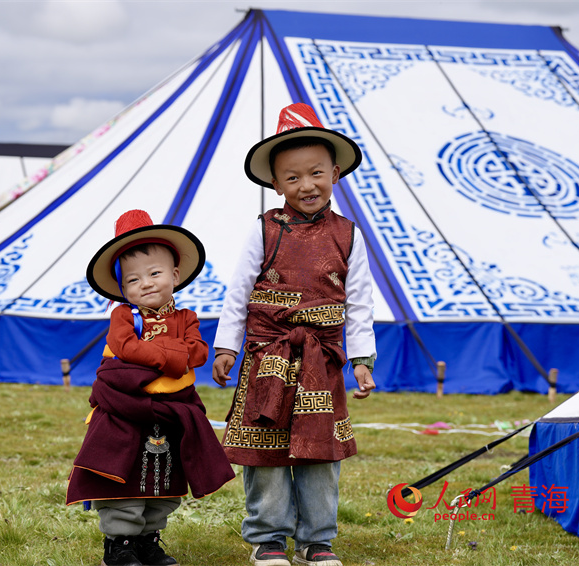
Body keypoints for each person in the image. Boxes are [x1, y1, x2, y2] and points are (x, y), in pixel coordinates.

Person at [212, 103, 377, 566]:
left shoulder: (349, 235)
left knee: (320, 453)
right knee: (266, 452)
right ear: (275, 183)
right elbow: (238, 290)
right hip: (268, 356)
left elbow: (360, 302)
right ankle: (268, 539)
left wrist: (361, 360)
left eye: (316, 173)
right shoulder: (264, 230)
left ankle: (318, 539)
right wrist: (227, 346)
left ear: (336, 172)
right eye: (292, 177)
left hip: (321, 361)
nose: (306, 185)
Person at [66, 209, 235, 566]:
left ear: (174, 275)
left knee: (163, 476)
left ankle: (147, 539)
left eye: (155, 273)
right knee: (123, 474)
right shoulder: (124, 317)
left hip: (172, 410)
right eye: (133, 279)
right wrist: (171, 357)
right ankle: (120, 543)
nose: (145, 283)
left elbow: (199, 352)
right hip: (125, 411)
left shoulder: (186, 317)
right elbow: (126, 348)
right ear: (121, 288)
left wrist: (166, 355)